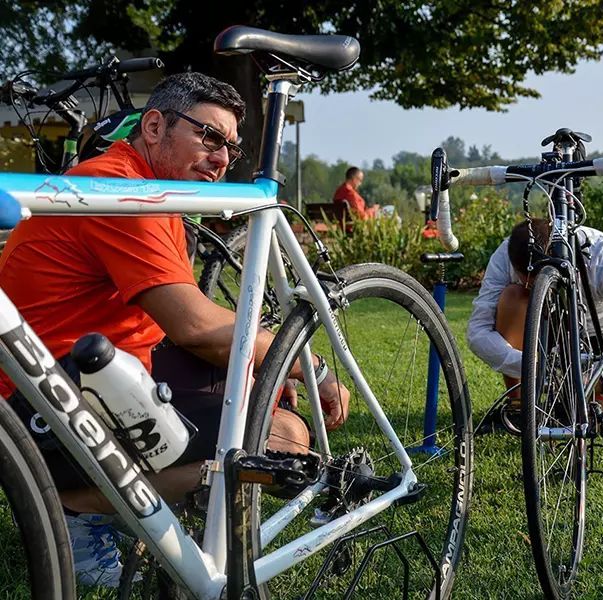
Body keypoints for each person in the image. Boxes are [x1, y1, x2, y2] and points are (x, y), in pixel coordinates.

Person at [0, 72, 350, 587]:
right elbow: (194, 327)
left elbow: (187, 323)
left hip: (96, 371)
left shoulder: (151, 188)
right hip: (47, 403)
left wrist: (262, 371)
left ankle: (120, 501)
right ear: (156, 125)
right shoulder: (122, 191)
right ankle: (76, 507)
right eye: (208, 136)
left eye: (231, 146)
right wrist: (307, 364)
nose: (222, 158)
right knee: (285, 443)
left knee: (254, 396)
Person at [467, 219, 603, 432]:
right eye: (527, 281)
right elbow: (478, 331)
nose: (534, 287)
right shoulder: (504, 253)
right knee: (513, 297)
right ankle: (521, 408)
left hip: (601, 334)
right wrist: (531, 367)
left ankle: (564, 408)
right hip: (540, 331)